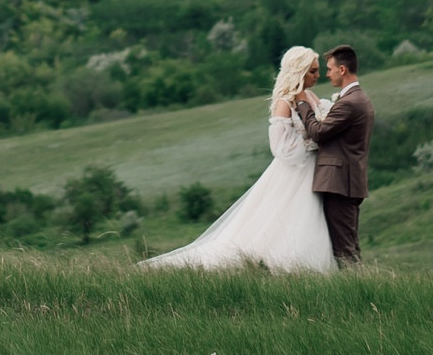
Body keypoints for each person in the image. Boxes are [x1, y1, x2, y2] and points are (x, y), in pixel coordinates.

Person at [139, 46, 336, 273]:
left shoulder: (311, 96)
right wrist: (313, 141)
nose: (318, 75)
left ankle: (308, 269)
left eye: (318, 70)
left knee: (310, 220)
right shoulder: (285, 103)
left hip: (312, 169)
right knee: (289, 218)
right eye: (313, 71)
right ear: (299, 72)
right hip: (294, 171)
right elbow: (280, 149)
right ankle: (286, 267)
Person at [292, 43, 372, 264]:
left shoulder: (349, 103)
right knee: (349, 245)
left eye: (329, 69)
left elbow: (318, 132)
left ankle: (357, 294)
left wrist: (302, 102)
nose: (327, 74)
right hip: (348, 181)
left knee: (344, 250)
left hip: (339, 183)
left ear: (342, 70)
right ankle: (359, 290)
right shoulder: (358, 99)